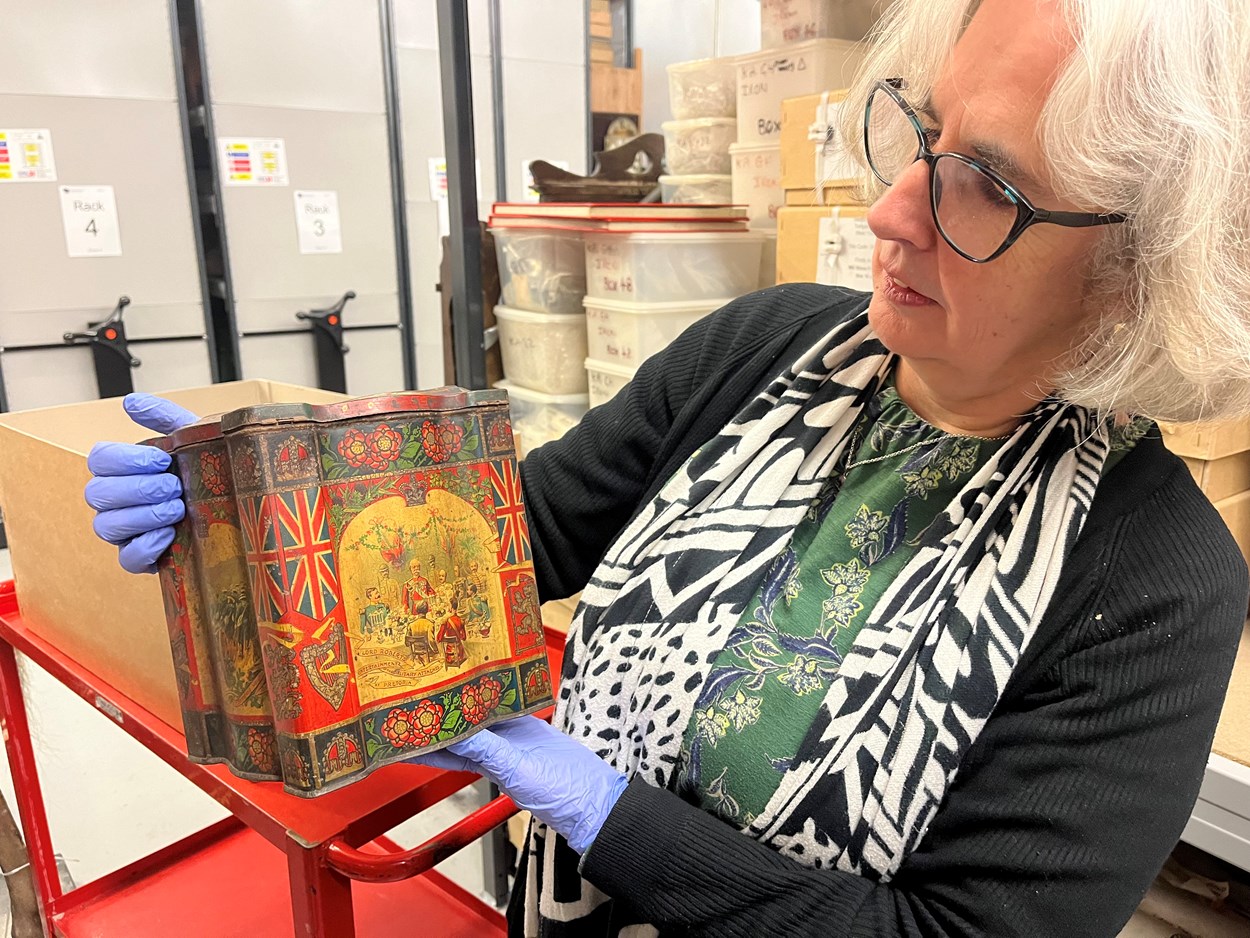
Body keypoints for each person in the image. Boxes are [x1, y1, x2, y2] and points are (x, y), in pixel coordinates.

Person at [82, 0, 1250, 934]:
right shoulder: (770, 347)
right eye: (923, 131)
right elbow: (513, 538)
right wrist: (268, 514)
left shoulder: (1146, 578)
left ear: (1139, 265)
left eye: (983, 186)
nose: (892, 207)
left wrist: (610, 813)